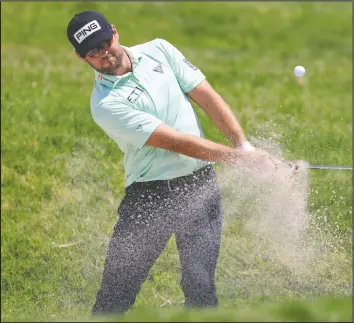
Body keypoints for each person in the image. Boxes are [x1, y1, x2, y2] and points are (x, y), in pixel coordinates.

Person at [66, 10, 284, 316]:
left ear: (114, 32)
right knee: (115, 295)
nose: (105, 54)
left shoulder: (159, 49)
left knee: (201, 289)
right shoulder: (105, 104)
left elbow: (206, 97)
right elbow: (175, 141)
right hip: (150, 196)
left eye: (105, 42)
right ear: (80, 57)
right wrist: (240, 160)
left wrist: (243, 146)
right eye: (93, 51)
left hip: (200, 186)